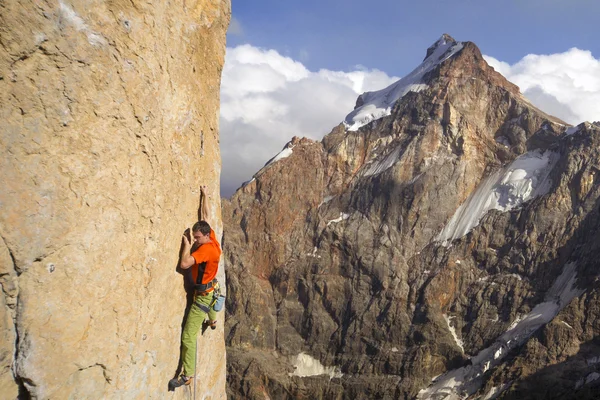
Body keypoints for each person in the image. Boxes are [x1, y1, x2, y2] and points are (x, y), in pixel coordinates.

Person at [170, 186, 222, 388]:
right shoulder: (212, 237)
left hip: (202, 297)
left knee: (188, 336)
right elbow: (206, 215)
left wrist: (186, 244)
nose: (195, 240)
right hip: (210, 288)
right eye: (194, 236)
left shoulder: (206, 251)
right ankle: (212, 321)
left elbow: (184, 265)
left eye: (197, 237)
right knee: (210, 294)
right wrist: (205, 195)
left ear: (205, 237)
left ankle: (188, 374)